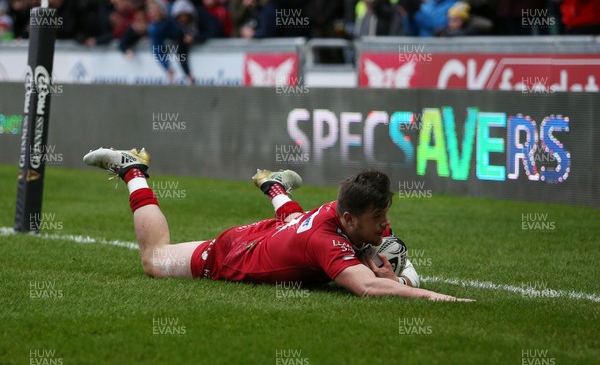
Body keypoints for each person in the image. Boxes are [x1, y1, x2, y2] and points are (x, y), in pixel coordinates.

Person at [82, 147, 474, 301]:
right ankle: (133, 170)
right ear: (349, 218)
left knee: (295, 220)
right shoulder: (329, 241)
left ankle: (273, 184)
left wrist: (391, 270)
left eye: (385, 216)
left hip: (269, 234)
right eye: (378, 219)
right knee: (155, 259)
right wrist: (448, 299)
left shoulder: (337, 211)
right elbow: (368, 288)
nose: (385, 226)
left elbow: (308, 224)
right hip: (233, 254)